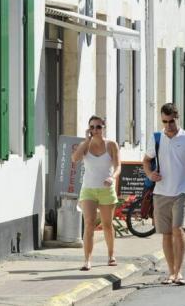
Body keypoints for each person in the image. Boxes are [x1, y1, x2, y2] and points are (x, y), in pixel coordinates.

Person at [144, 103, 185, 285]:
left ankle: (179, 272)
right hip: (161, 192)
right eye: (165, 121)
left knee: (177, 230)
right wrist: (150, 174)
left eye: (171, 121)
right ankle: (171, 272)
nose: (168, 125)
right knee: (166, 234)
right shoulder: (156, 138)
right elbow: (146, 161)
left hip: (181, 191)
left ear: (177, 118)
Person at [71, 116, 121, 271]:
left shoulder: (111, 145)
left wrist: (112, 177)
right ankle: (87, 260)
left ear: (104, 127)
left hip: (106, 190)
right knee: (89, 224)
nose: (95, 130)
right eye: (92, 127)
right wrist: (86, 141)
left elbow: (118, 166)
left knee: (107, 225)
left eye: (98, 127)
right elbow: (74, 159)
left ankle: (111, 255)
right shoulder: (84, 145)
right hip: (89, 190)